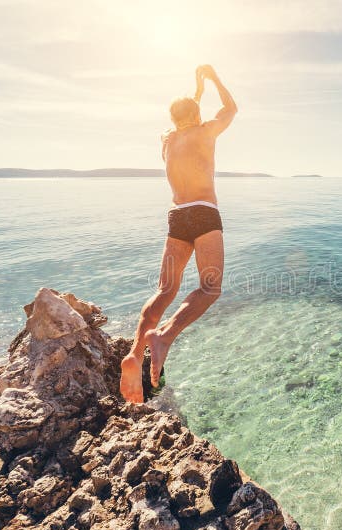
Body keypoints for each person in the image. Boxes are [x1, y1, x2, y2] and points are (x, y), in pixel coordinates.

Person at [120, 64, 237, 403]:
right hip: (203, 212)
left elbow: (186, 113)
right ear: (197, 114)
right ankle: (165, 336)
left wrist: (195, 89)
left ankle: (134, 352)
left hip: (177, 216)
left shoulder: (168, 139)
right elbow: (231, 109)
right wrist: (213, 78)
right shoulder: (206, 132)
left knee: (164, 290)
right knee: (210, 288)